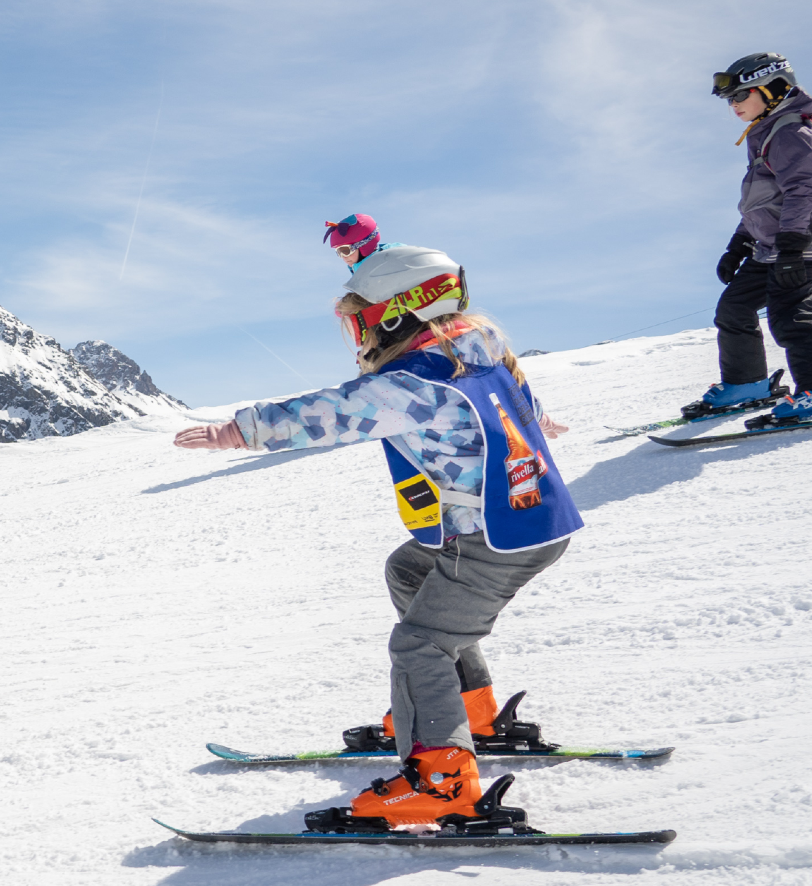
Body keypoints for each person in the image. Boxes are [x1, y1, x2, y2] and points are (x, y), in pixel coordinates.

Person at [175, 246, 582, 830]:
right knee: (410, 570)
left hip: (493, 537)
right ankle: (469, 711)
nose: (359, 332)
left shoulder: (414, 383)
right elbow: (516, 396)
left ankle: (440, 781)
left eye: (362, 317)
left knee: (420, 645)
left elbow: (329, 413)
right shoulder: (474, 347)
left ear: (398, 312)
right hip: (530, 521)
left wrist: (236, 431)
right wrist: (539, 420)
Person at [691, 52, 812, 421]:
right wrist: (739, 244)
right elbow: (762, 201)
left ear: (773, 89)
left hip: (800, 242)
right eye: (729, 99)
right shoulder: (766, 132)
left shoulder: (791, 132)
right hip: (772, 245)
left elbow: (800, 190)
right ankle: (747, 383)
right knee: (733, 309)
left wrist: (793, 246)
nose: (732, 105)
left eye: (740, 95)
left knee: (789, 317)